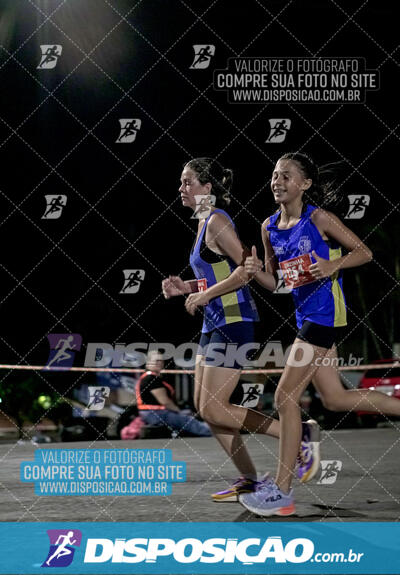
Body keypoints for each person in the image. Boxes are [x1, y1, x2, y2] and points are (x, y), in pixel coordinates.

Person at [240, 151, 400, 516]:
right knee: (335, 399)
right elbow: (275, 282)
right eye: (274, 175)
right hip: (304, 316)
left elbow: (364, 252)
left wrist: (332, 264)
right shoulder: (268, 227)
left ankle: (282, 492)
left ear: (305, 184)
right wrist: (253, 272)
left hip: (326, 315)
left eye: (285, 176)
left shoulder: (320, 218)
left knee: (284, 396)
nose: (277, 182)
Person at [162, 157, 320, 502]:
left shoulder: (217, 222)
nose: (181, 189)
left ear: (207, 189)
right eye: (181, 182)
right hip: (214, 322)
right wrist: (187, 287)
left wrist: (203, 294)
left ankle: (298, 437)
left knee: (217, 409)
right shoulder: (203, 223)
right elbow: (216, 275)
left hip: (236, 322)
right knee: (205, 409)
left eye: (188, 182)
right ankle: (249, 479)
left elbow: (246, 272)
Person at [136, 351, 211, 437]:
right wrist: (179, 411)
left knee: (187, 415)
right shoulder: (151, 379)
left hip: (152, 413)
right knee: (187, 419)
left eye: (161, 360)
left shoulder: (150, 377)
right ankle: (214, 433)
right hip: (156, 413)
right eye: (156, 361)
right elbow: (165, 401)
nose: (159, 363)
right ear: (148, 363)